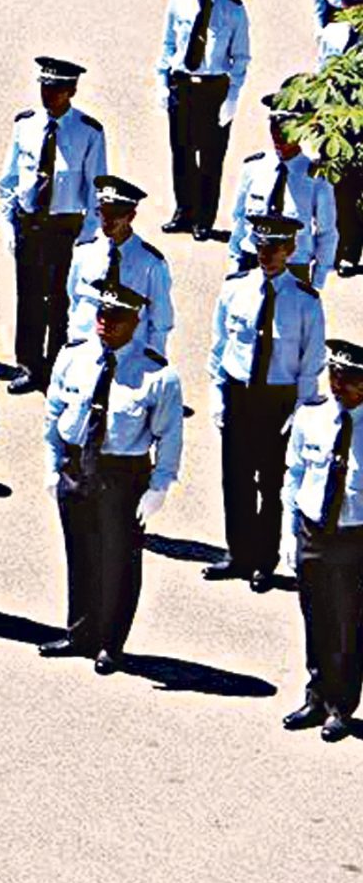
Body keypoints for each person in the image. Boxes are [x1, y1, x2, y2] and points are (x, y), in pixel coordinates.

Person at [40, 281, 186, 677]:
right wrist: (52, 465)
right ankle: (80, 634)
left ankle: (110, 643)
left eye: (116, 317)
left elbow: (169, 436)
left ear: (135, 322)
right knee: (80, 553)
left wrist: (159, 487)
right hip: (76, 467)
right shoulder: (73, 356)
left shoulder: (157, 374)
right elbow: (54, 413)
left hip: (122, 475)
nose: (106, 323)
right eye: (102, 314)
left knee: (118, 561)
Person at [209, 213, 328, 590]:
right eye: (261, 247)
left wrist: (301, 411)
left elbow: (311, 362)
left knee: (272, 483)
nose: (267, 255)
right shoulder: (235, 288)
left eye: (275, 248)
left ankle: (264, 559)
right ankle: (238, 553)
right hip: (239, 393)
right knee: (236, 478)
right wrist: (217, 394)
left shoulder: (305, 302)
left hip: (278, 401)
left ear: (290, 250)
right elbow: (220, 347)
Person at [0, 57, 109, 392]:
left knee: (62, 299)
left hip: (65, 227)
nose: (48, 94)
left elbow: (95, 189)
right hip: (30, 223)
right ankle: (29, 366)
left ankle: (58, 365)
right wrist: (9, 223)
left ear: (71, 91)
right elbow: (10, 179)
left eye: (57, 89)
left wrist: (86, 238)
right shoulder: (26, 124)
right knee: (29, 297)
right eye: (45, 87)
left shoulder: (88, 132)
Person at [282, 339, 363, 741]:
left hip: (354, 537)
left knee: (349, 624)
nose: (338, 385)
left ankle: (340, 707)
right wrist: (288, 532)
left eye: (349, 379)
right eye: (334, 375)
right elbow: (294, 474)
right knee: (315, 618)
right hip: (312, 530)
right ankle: (316, 696)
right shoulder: (311, 416)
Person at [158, 0, 251, 240]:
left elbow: (240, 57)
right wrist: (162, 82)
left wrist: (232, 97)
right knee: (182, 152)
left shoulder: (234, 10)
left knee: (210, 157)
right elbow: (168, 45)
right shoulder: (179, 1)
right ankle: (184, 211)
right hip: (182, 85)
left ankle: (204, 218)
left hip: (213, 89)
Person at [67, 177, 177, 362]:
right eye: (103, 212)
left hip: (129, 355)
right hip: (86, 353)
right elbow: (74, 301)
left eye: (115, 214)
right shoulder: (83, 254)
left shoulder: (151, 263)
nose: (107, 220)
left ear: (130, 216)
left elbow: (160, 321)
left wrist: (152, 362)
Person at [228, 98, 338, 283]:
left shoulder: (316, 177)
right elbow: (239, 219)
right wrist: (235, 264)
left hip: (293, 266)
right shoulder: (254, 167)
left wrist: (317, 280)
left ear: (302, 130)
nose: (278, 134)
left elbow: (326, 232)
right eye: (274, 126)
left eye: (287, 128)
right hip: (252, 260)